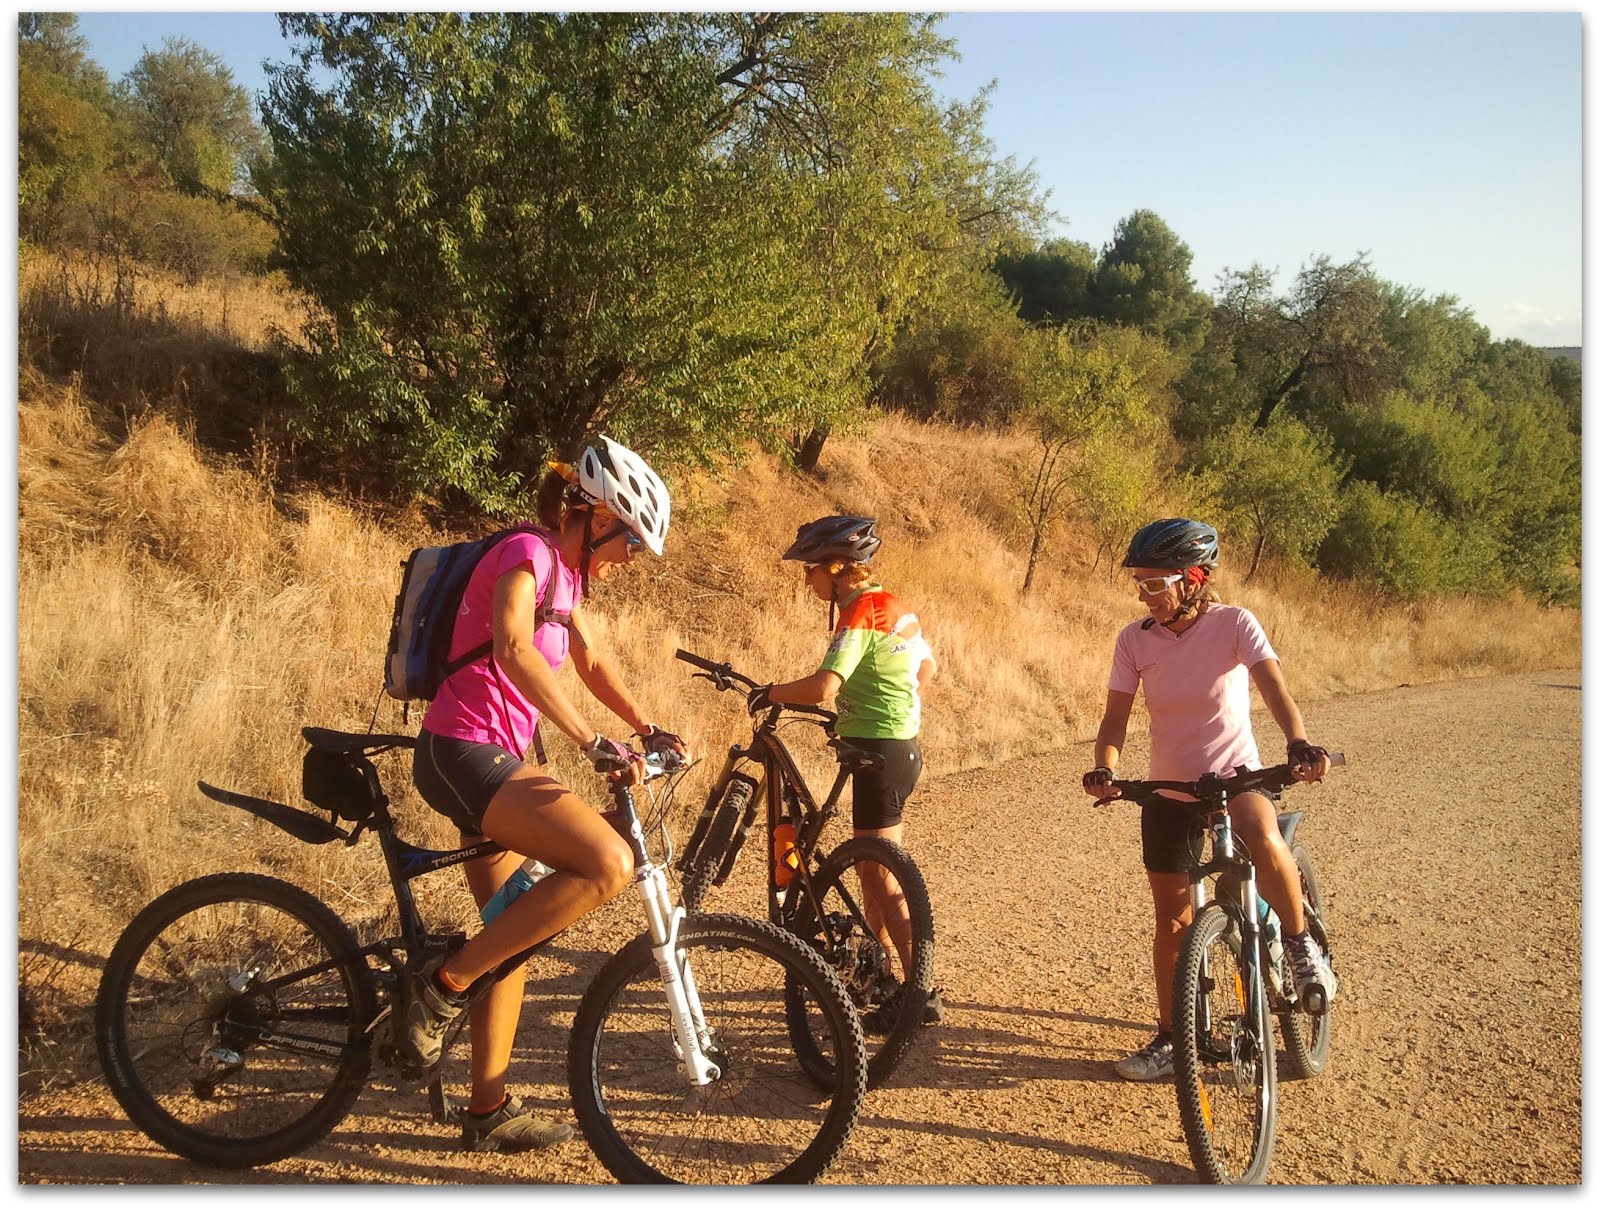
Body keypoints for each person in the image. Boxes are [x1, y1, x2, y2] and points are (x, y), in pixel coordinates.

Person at [404, 436, 687, 1152]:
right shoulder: (527, 553)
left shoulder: (568, 578)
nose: (630, 558)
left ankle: (487, 1108)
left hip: (491, 757)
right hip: (461, 749)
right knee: (608, 861)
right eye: (629, 541)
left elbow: (588, 659)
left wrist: (647, 727)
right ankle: (442, 985)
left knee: (514, 926)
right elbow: (511, 645)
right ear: (596, 518)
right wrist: (589, 739)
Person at [1081, 517, 1335, 1082]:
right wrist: (1106, 767)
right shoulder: (1134, 640)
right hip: (1169, 787)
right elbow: (1115, 720)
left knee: (1261, 830)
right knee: (1172, 918)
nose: (1144, 594)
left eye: (1154, 583)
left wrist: (1297, 743)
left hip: (1235, 774)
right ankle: (1174, 1038)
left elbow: (1274, 690)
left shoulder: (1233, 625)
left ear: (1193, 578)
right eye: (1139, 583)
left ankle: (1298, 947)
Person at [751, 514, 944, 1030]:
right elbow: (926, 668)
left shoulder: (859, 611)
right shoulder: (894, 605)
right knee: (874, 869)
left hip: (881, 752)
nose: (806, 582)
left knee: (881, 877)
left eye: (809, 572)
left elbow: (822, 689)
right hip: (897, 747)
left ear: (835, 569)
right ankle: (883, 972)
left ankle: (919, 991)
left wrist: (770, 692)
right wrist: (893, 699)